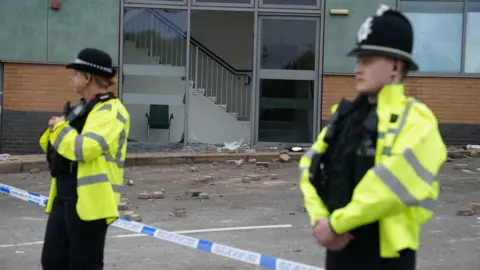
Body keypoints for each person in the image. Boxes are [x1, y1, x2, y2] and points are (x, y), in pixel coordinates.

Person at [299, 4, 447, 270]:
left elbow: (388, 187)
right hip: (338, 249)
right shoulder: (343, 115)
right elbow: (309, 167)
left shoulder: (417, 121)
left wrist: (335, 224)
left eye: (367, 61)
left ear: (395, 66)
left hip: (388, 257)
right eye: (357, 61)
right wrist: (320, 220)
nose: (358, 68)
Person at [39, 48, 130, 270]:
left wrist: (59, 128)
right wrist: (56, 129)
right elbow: (49, 144)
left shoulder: (111, 111)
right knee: (53, 261)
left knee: (83, 264)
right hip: (65, 195)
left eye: (76, 74)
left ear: (87, 77)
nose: (72, 79)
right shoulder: (82, 108)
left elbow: (84, 149)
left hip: (91, 202)